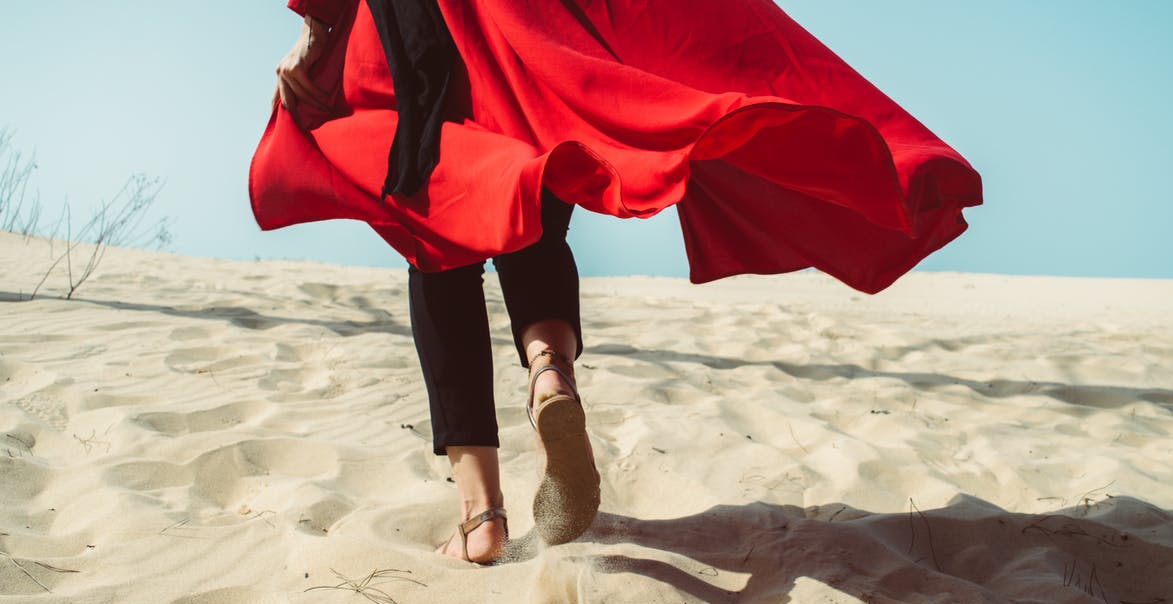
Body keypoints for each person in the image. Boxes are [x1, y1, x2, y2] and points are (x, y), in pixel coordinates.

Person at [253, 0, 983, 565]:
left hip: (406, 24)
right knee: (531, 174)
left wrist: (317, 29)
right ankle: (548, 368)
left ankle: (481, 518)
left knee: (436, 233)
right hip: (527, 16)